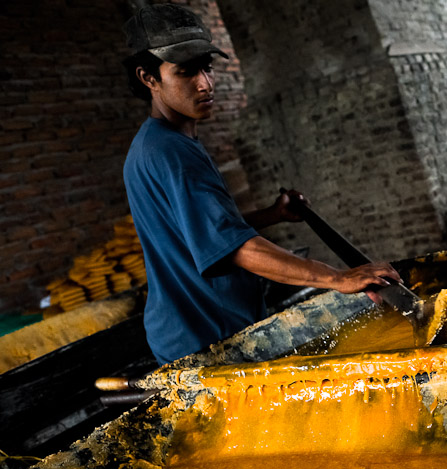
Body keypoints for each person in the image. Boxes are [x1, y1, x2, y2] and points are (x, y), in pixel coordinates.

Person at [122, 4, 400, 365]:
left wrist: (272, 214)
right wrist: (337, 278)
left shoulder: (160, 143)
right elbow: (232, 247)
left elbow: (202, 231)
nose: (205, 83)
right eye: (185, 72)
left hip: (196, 330)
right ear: (149, 78)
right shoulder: (171, 152)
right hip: (205, 342)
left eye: (207, 67)